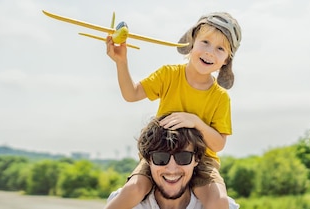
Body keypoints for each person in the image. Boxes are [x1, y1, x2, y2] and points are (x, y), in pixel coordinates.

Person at [104, 12, 242, 209]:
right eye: (205, 42)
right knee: (132, 190)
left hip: (203, 159)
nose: (210, 52)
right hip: (161, 153)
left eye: (220, 48)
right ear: (192, 42)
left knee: (219, 200)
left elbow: (218, 144)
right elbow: (131, 94)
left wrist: (195, 122)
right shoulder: (169, 75)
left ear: (227, 60)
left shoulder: (220, 97)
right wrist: (121, 62)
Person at [106, 115, 239, 209]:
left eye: (183, 157)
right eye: (161, 158)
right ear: (148, 160)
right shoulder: (124, 203)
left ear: (197, 159)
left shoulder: (224, 205)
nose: (171, 169)